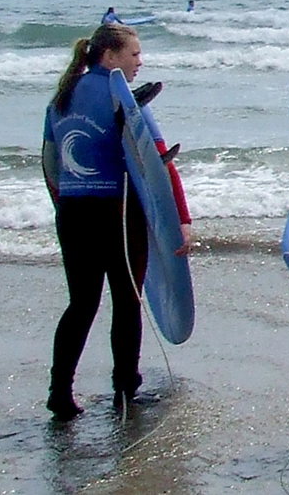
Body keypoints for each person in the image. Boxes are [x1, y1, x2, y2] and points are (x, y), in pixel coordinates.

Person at [42, 23, 195, 421]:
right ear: (109, 57)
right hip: (117, 209)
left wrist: (63, 203)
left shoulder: (60, 97)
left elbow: (49, 162)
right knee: (127, 299)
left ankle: (60, 392)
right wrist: (181, 218)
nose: (139, 63)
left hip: (73, 213)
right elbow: (159, 160)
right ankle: (125, 386)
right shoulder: (123, 97)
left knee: (81, 304)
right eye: (134, 54)